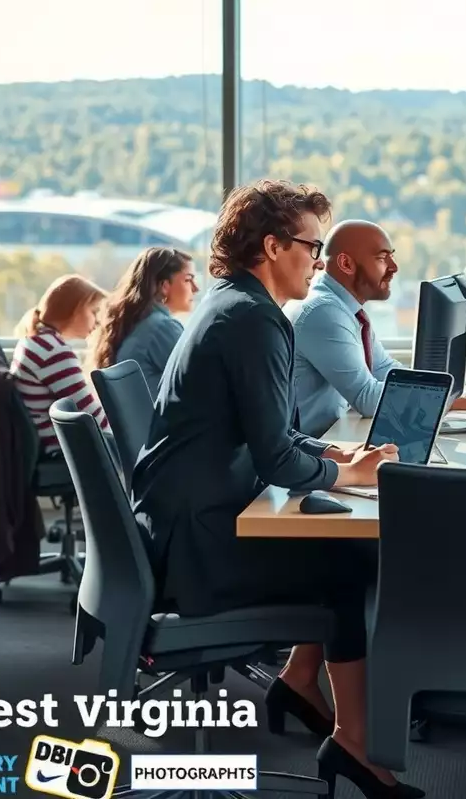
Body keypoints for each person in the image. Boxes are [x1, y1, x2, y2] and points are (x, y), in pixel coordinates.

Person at [131, 181, 424, 799]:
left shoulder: (232, 304)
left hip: (184, 525)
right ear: (272, 246)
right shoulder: (254, 320)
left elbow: (280, 434)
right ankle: (352, 742)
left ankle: (307, 691)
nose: (318, 264)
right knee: (351, 565)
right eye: (312, 249)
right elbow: (277, 458)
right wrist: (349, 473)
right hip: (199, 549)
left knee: (342, 552)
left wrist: (334, 453)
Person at [287, 219, 466, 438]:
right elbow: (367, 398)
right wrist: (451, 400)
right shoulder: (324, 312)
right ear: (346, 264)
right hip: (311, 455)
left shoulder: (345, 308)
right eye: (382, 258)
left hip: (333, 439)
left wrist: (441, 393)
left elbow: (385, 369)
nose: (394, 267)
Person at [10, 274, 110, 454]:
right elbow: (94, 419)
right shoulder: (53, 351)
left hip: (48, 443)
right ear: (74, 309)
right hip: (62, 449)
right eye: (93, 312)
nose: (97, 321)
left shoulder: (36, 341)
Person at [88, 247, 198, 398]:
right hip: (159, 421)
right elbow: (203, 383)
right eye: (188, 279)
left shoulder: (136, 324)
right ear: (164, 286)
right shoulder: (162, 329)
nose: (196, 288)